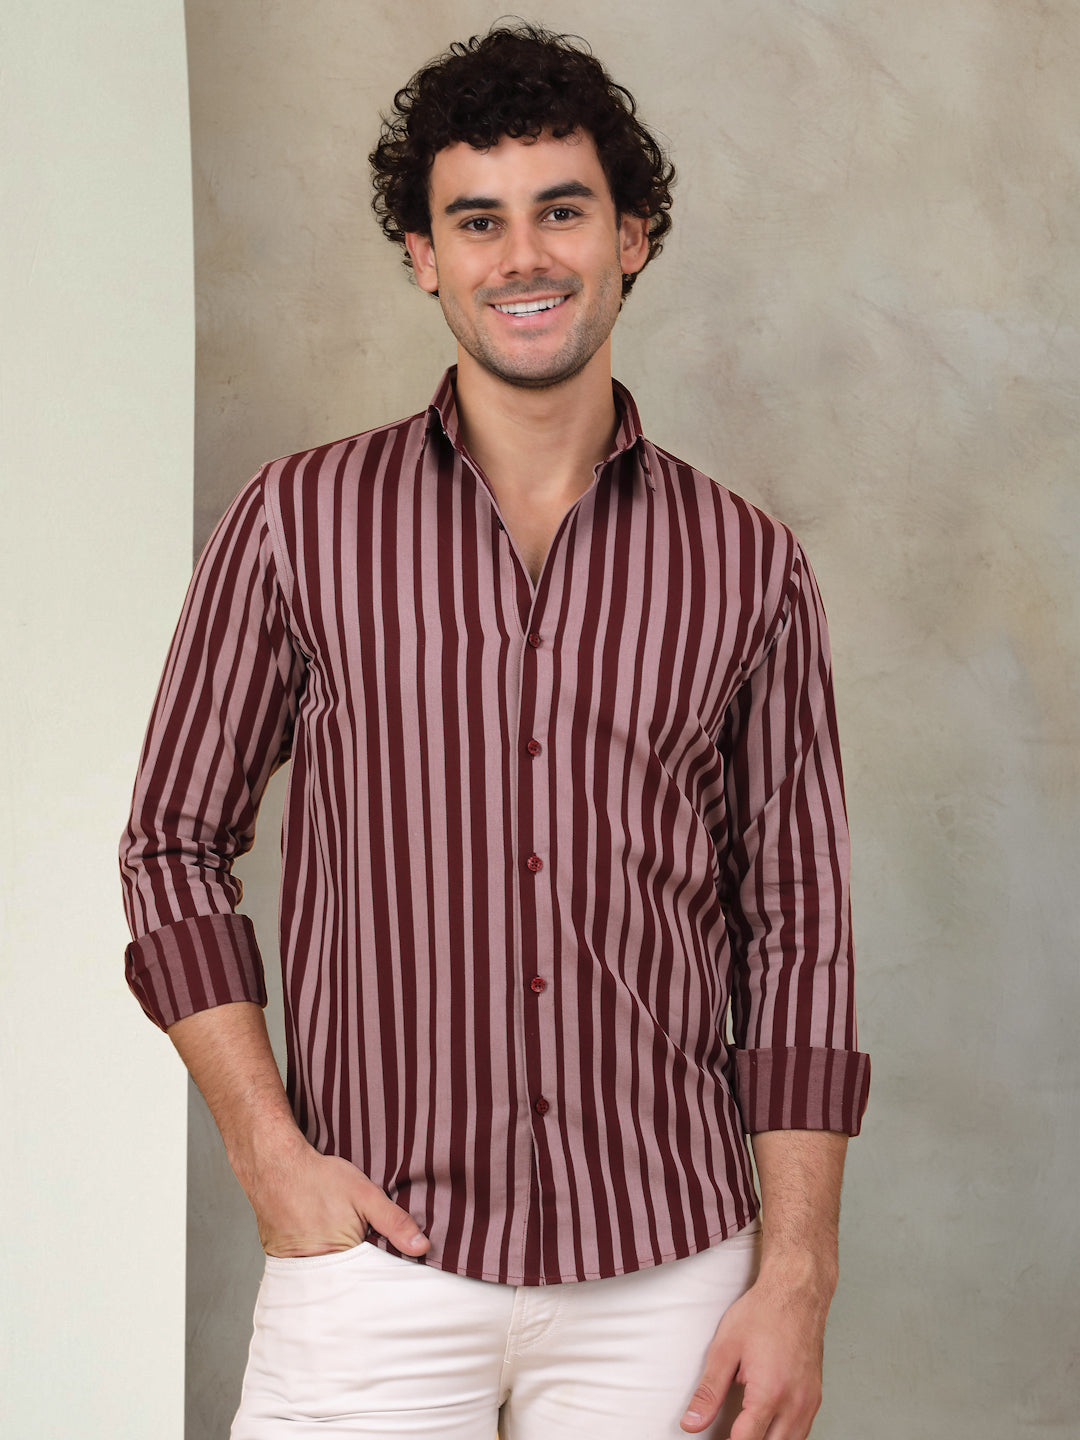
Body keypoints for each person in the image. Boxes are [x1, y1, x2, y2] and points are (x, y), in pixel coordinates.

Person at [121, 23, 869, 1440]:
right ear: (424, 255)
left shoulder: (749, 566)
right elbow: (170, 845)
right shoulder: (298, 523)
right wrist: (269, 1154)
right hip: (373, 1259)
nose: (523, 256)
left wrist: (797, 1278)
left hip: (671, 1274)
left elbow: (801, 933)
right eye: (478, 221)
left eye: (562, 211)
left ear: (632, 237)